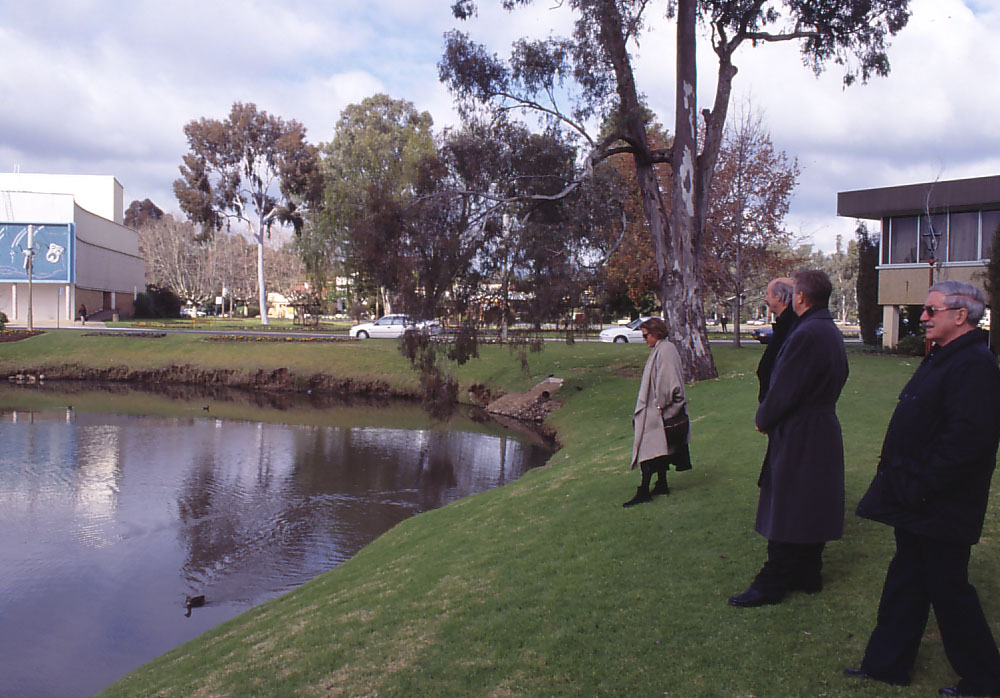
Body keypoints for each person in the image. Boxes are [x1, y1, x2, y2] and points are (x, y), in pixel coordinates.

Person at [844, 281, 1000, 697]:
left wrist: (920, 487)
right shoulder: (945, 358)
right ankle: (886, 665)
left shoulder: (975, 365)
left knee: (949, 590)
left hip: (941, 503)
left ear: (960, 315)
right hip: (918, 499)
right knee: (907, 580)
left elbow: (967, 442)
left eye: (931, 310)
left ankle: (986, 679)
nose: (923, 317)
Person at [729, 269, 848, 607]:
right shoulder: (828, 329)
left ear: (799, 297)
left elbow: (785, 388)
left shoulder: (807, 333)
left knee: (788, 501)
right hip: (820, 426)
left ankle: (774, 580)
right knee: (808, 500)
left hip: (801, 431)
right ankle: (808, 572)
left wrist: (764, 417)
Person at [623, 317, 692, 507]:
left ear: (656, 333)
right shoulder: (661, 349)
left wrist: (661, 404)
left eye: (646, 335)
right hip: (657, 410)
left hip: (659, 412)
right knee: (661, 450)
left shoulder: (666, 350)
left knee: (648, 451)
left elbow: (670, 382)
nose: (644, 339)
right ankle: (661, 483)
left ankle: (644, 491)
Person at [756, 277, 796, 403]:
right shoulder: (785, 325)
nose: (765, 299)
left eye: (768, 294)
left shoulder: (791, 327)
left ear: (779, 296)